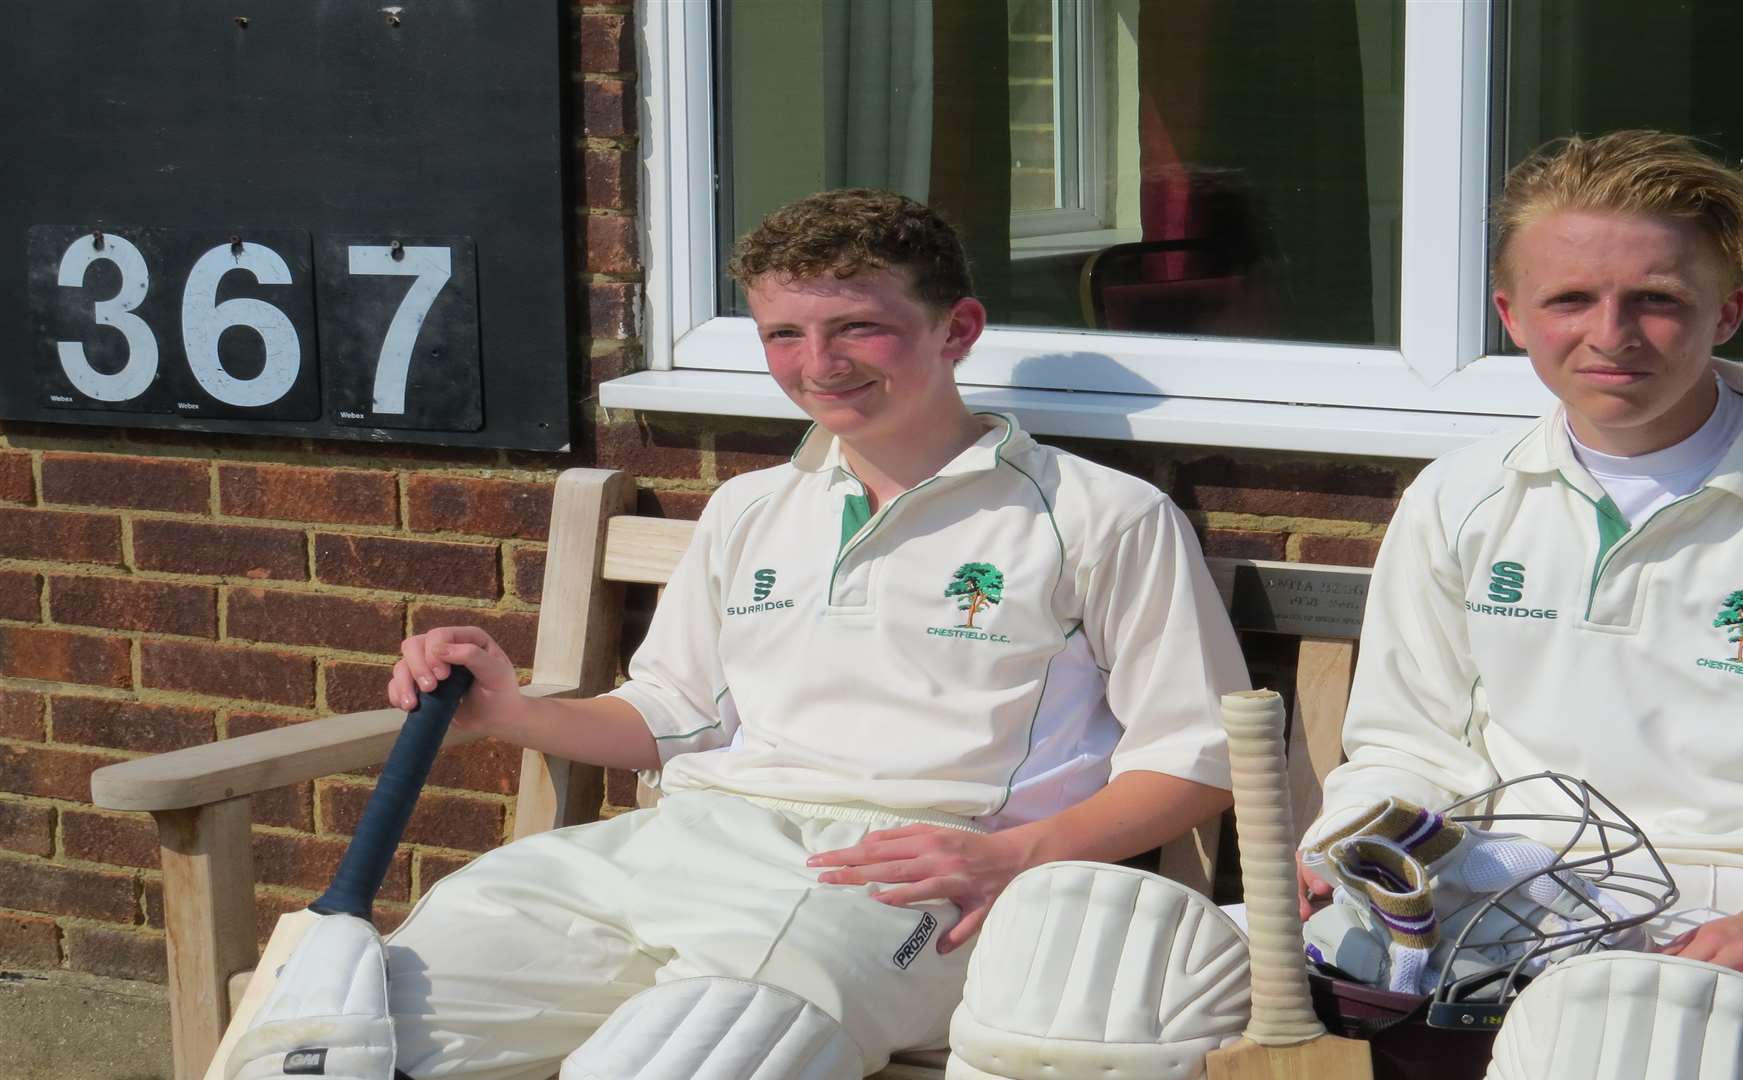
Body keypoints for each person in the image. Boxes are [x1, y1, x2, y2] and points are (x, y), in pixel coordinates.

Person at [370, 189, 1247, 1079]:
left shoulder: (1100, 516)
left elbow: (1198, 756)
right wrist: (508, 710)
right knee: (362, 1021)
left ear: (959, 329)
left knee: (707, 1050)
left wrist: (1012, 856)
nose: (817, 365)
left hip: (905, 877)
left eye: (858, 328)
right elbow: (672, 711)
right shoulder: (751, 507)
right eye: (783, 335)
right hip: (688, 846)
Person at [1297, 131, 1743, 1079]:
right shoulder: (1462, 494)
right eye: (1570, 299)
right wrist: (1365, 835)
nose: (1612, 333)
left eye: (1658, 300)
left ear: (1730, 310)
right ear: (1511, 313)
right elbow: (1407, 742)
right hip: (1497, 894)